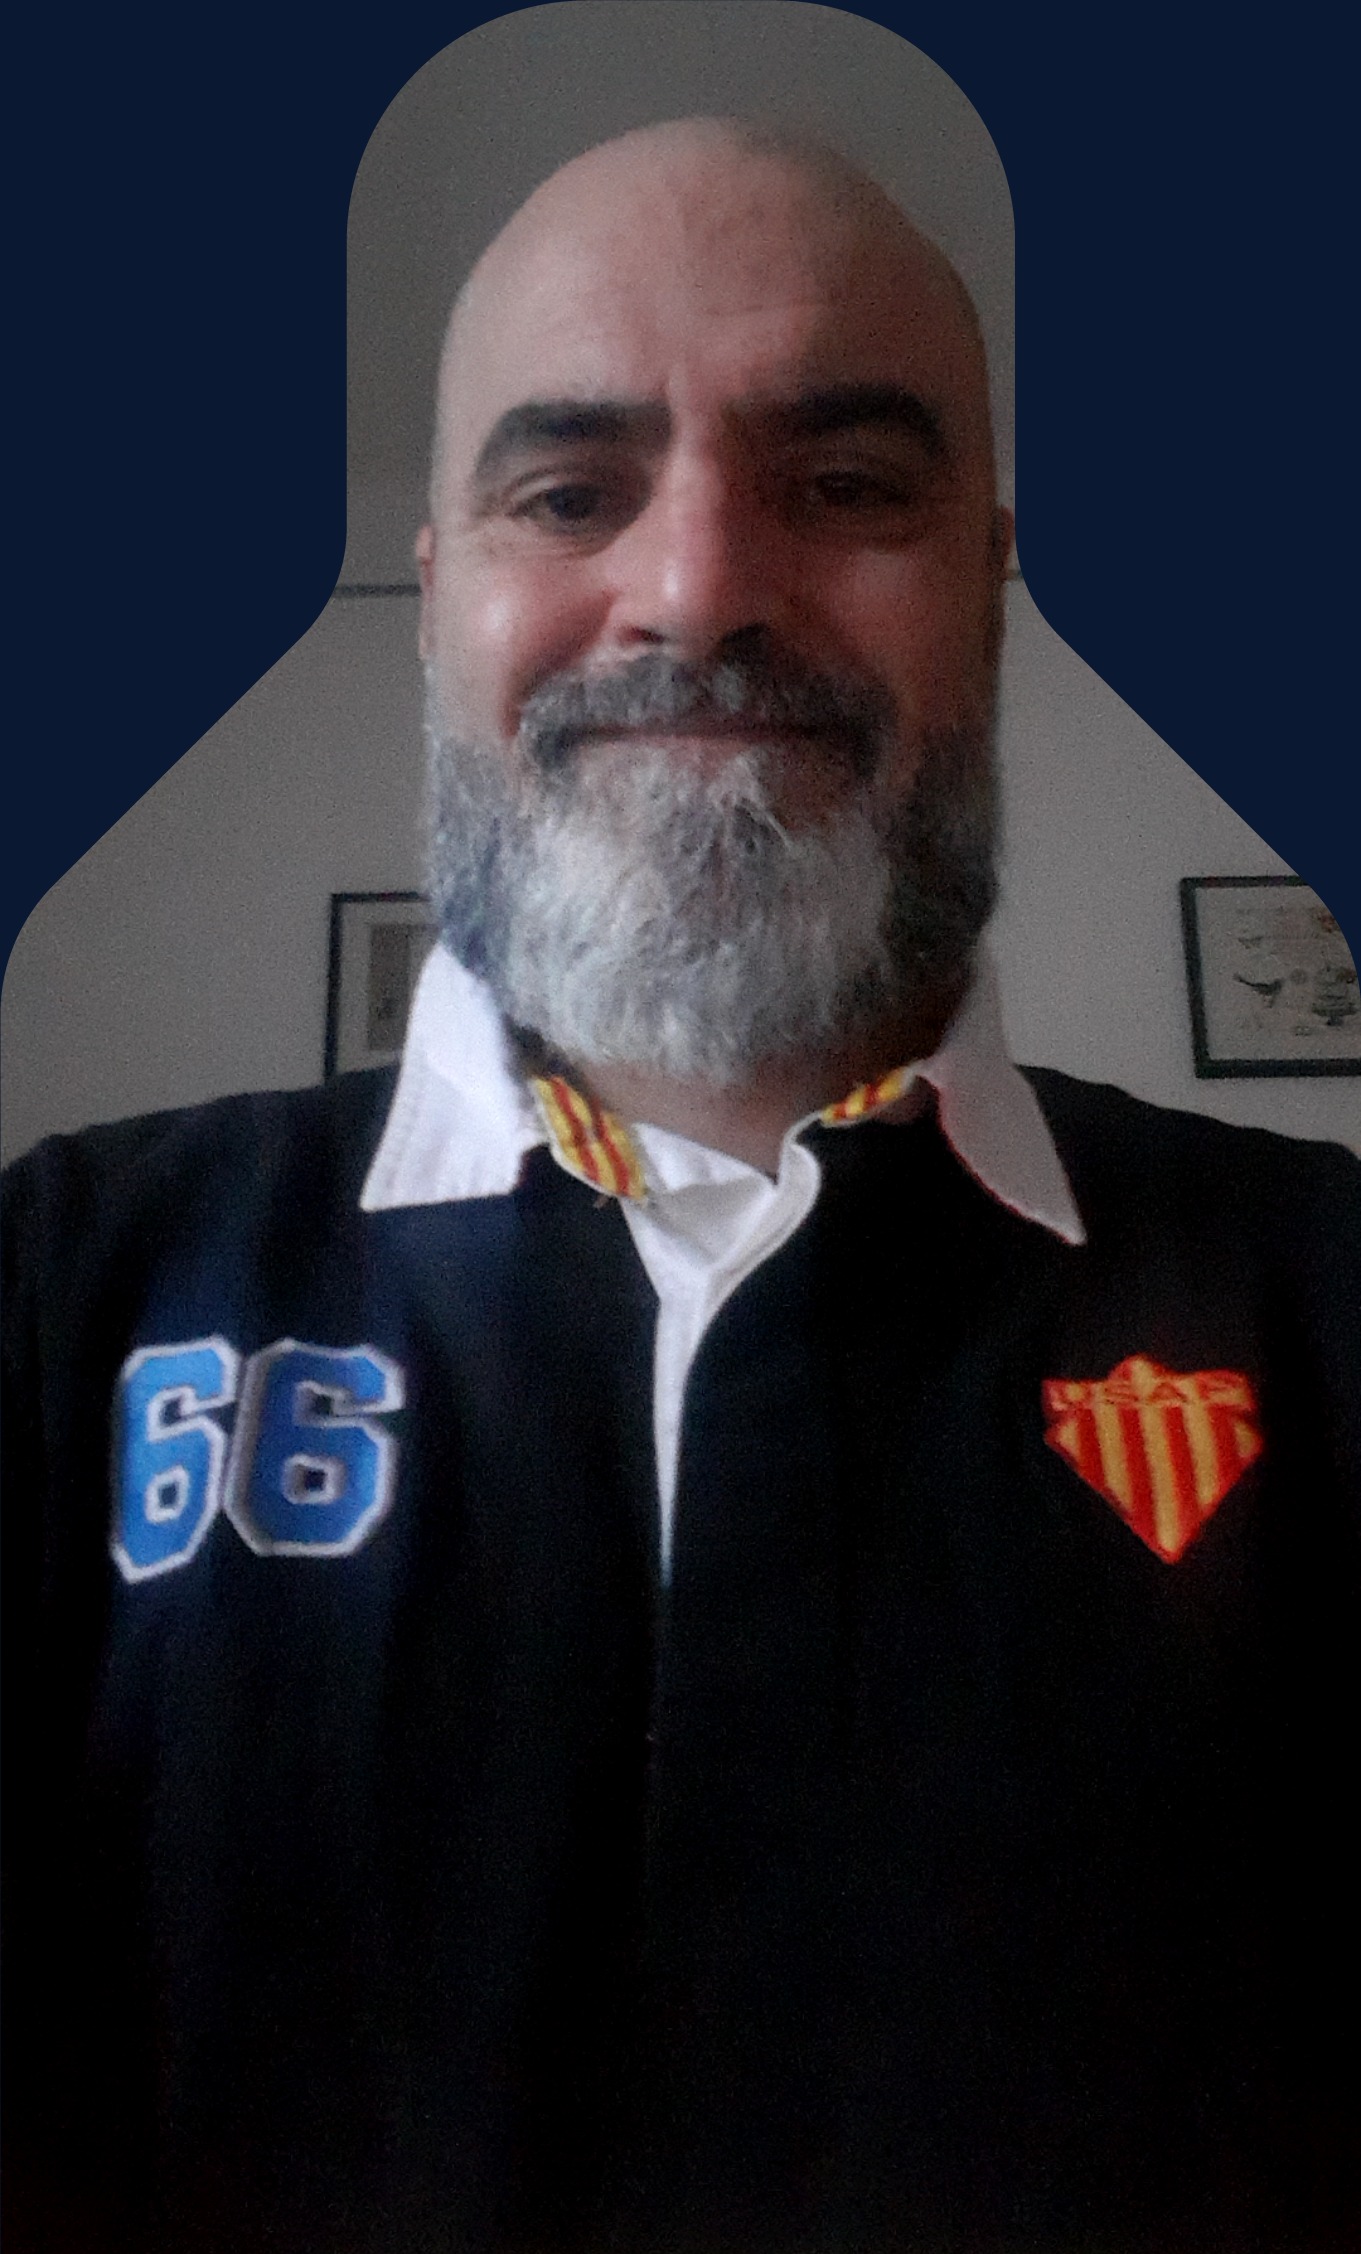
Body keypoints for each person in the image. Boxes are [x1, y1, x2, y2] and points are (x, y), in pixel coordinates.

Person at [3, 118, 1358, 2254]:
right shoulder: (52, 1282)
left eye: (850, 484)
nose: (704, 584)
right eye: (569, 492)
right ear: (438, 594)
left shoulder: (1332, 1292)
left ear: (990, 583)